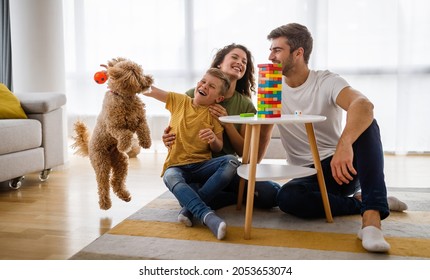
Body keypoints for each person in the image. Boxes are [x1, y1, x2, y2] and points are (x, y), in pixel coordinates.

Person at [266, 23, 407, 253]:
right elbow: (263, 129)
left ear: (298, 53)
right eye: (271, 50)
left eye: (277, 50)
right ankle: (366, 201)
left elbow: (363, 104)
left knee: (368, 122)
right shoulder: (271, 86)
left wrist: (344, 144)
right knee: (288, 198)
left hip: (339, 167)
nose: (270, 56)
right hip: (305, 174)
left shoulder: (325, 80)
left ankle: (372, 220)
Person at [162, 43, 280, 213]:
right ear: (219, 64)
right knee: (187, 191)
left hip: (228, 170)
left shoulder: (245, 105)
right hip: (196, 167)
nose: (240, 62)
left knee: (272, 193)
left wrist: (227, 124)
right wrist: (167, 138)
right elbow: (176, 130)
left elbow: (242, 152)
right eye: (234, 57)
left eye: (244, 61)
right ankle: (230, 197)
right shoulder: (193, 94)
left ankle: (198, 202)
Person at [143, 68, 240, 240]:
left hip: (201, 165)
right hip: (176, 166)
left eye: (211, 86)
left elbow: (218, 148)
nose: (204, 86)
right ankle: (207, 216)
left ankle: (189, 209)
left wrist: (213, 140)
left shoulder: (213, 115)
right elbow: (151, 90)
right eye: (203, 81)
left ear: (219, 98)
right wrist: (124, 77)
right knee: (169, 177)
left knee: (231, 161)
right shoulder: (179, 100)